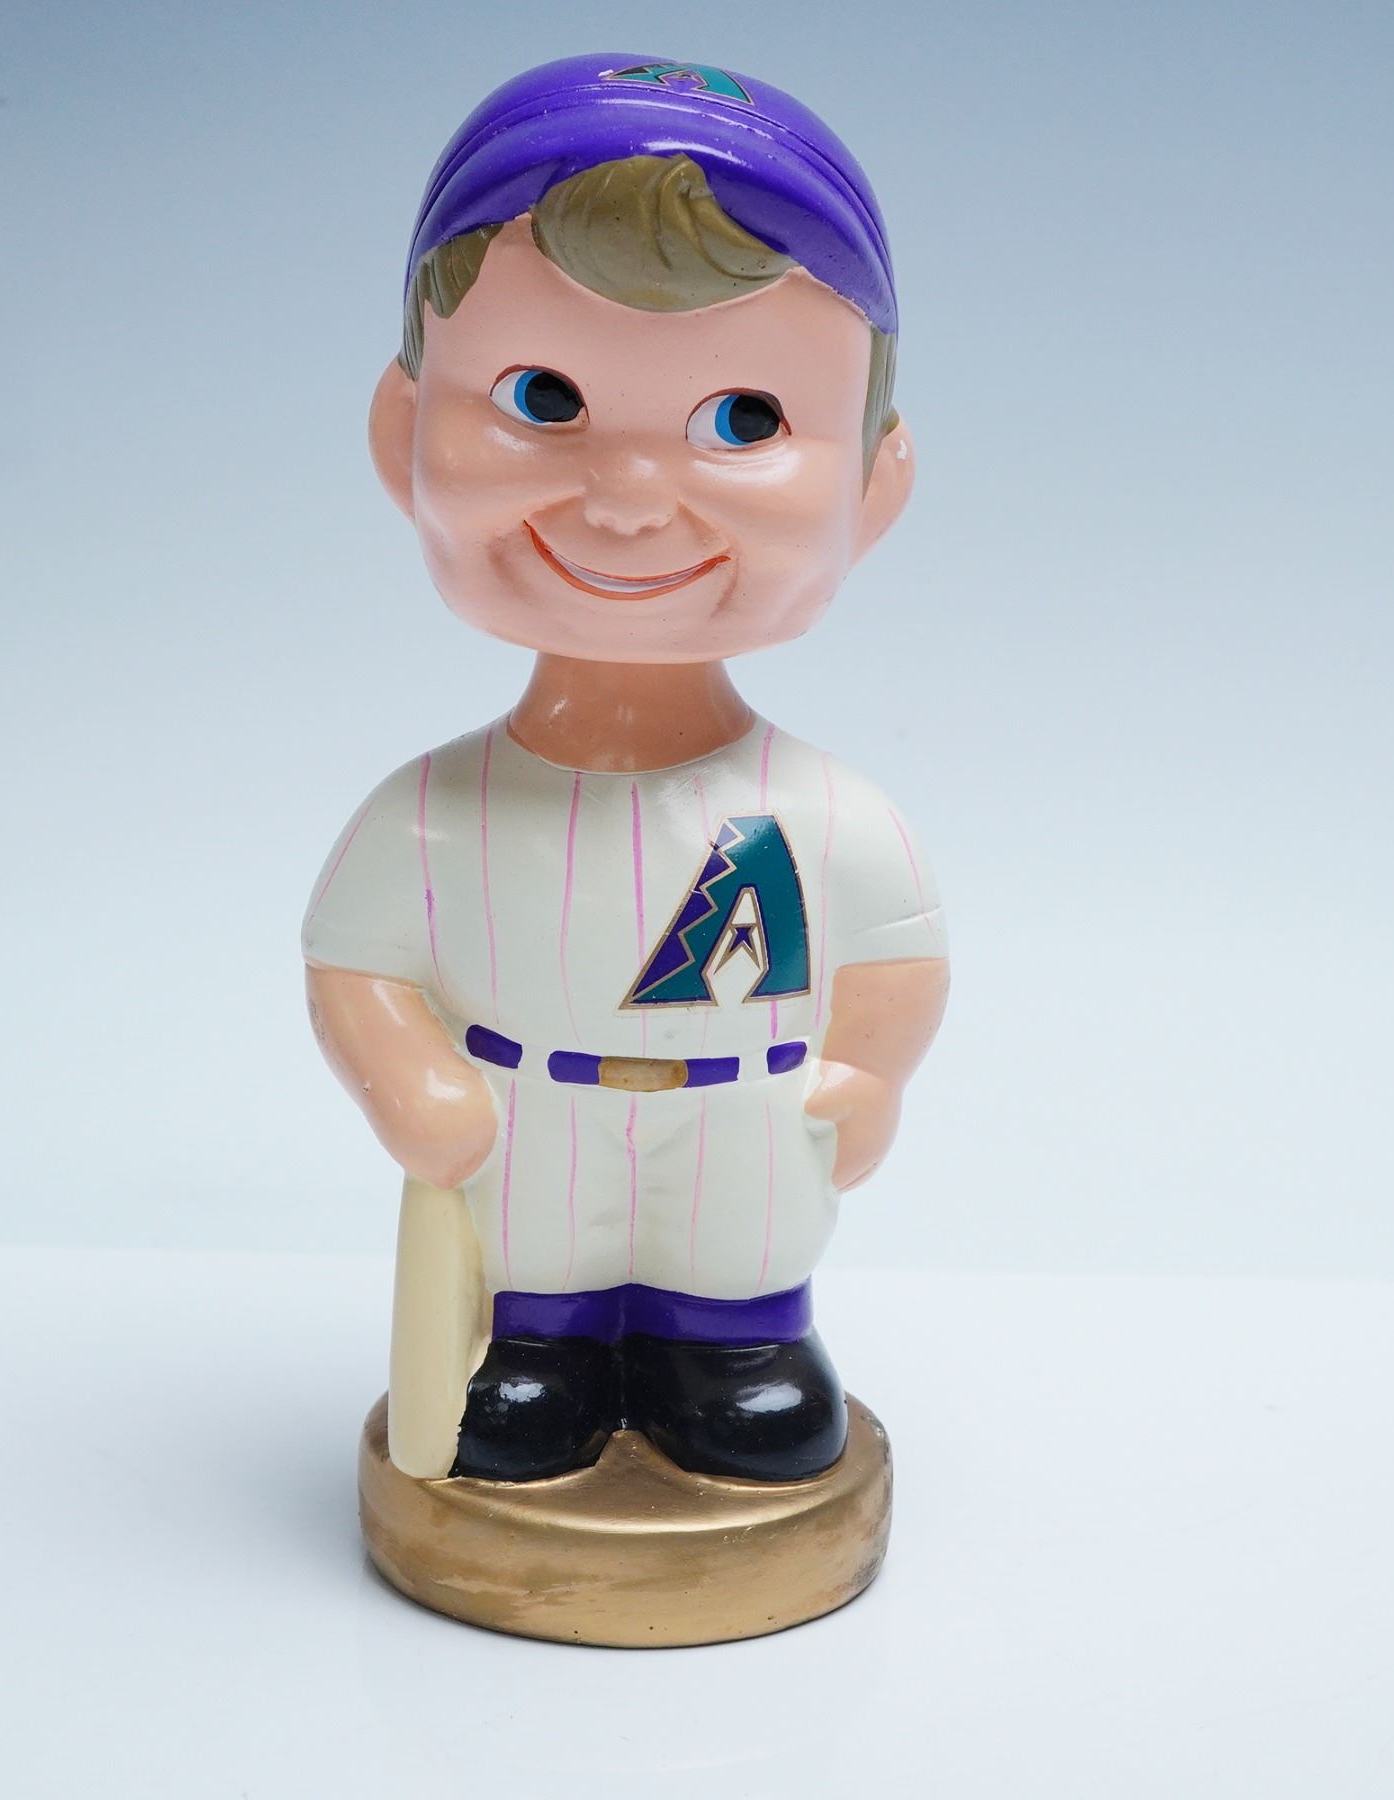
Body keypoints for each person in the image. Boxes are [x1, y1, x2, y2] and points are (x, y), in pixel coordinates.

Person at [303, 56, 949, 1483]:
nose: (628, 497)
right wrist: (408, 1081)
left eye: (744, 422)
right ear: (403, 436)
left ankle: (736, 1352)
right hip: (528, 1122)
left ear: (875, 485)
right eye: (543, 398)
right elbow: (354, 965)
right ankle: (539, 1348)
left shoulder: (824, 814)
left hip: (743, 1119)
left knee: (737, 1268)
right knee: (534, 1284)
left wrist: (867, 1069)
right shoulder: (435, 816)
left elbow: (896, 956)